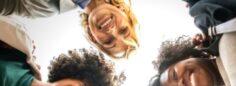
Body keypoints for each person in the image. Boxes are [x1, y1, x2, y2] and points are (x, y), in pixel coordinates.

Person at [0, 0, 139, 58]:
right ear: (124, 12)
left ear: (92, 36)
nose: (112, 31)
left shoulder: (44, 9)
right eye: (123, 30)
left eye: (109, 41)